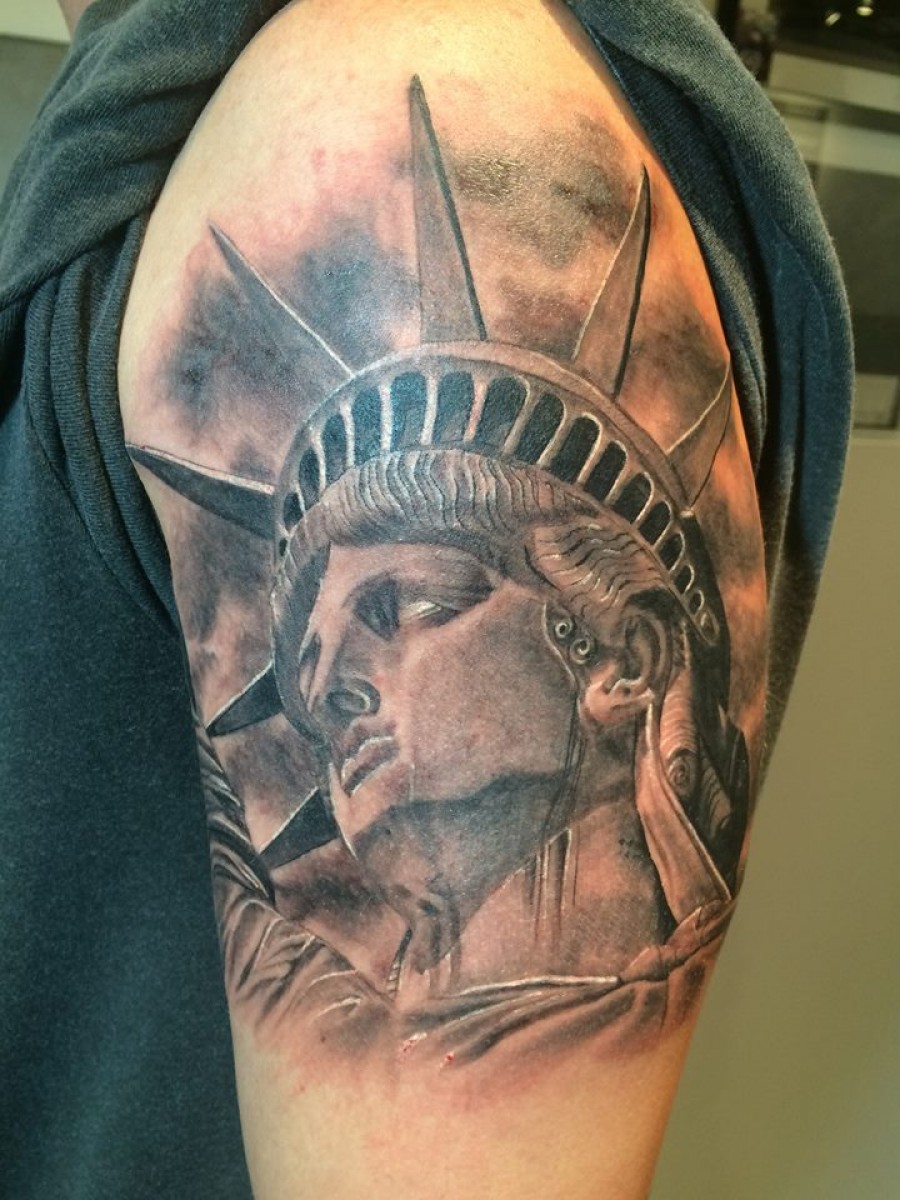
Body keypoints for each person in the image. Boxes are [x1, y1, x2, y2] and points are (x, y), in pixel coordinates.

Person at [0, 1, 852, 1197]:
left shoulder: (398, 83)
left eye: (408, 603)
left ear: (621, 654)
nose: (332, 693)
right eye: (308, 670)